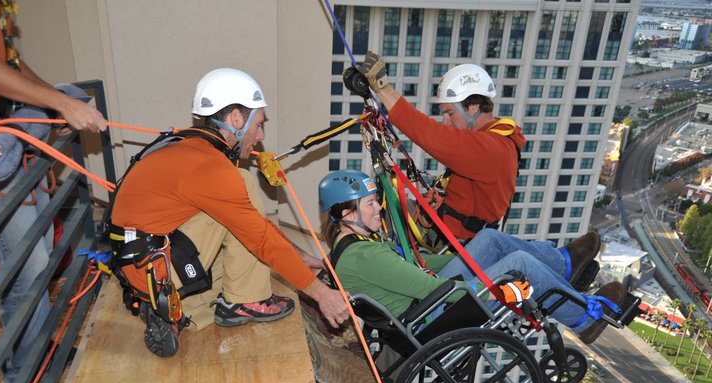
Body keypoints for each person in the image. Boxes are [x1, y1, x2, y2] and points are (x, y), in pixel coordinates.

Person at [109, 68, 348, 357]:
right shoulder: (210, 168)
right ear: (236, 118)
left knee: (241, 202)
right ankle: (242, 302)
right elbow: (258, 236)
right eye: (258, 124)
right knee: (244, 194)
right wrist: (321, 295)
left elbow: (255, 225)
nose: (260, 136)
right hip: (155, 270)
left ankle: (172, 307)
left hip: (142, 266)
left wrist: (305, 259)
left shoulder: (191, 149)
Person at [318, 170, 625, 345]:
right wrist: (491, 276)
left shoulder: (356, 247)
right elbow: (430, 288)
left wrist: (472, 256)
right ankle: (585, 319)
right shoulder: (362, 256)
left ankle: (563, 265)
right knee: (518, 264)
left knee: (488, 239)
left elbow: (418, 267)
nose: (379, 209)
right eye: (370, 204)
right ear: (347, 214)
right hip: (433, 315)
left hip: (430, 303)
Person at [0, 0, 107, 383]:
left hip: (14, 141)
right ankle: (24, 376)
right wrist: (59, 102)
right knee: (28, 261)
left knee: (39, 252)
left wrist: (58, 107)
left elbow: (11, 65)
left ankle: (38, 350)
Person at [355, 51, 524, 241]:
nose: (445, 121)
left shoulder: (492, 149)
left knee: (363, 215)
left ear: (474, 107)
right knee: (375, 208)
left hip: (454, 241)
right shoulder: (491, 137)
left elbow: (433, 135)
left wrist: (382, 89)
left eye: (450, 113)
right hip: (443, 222)